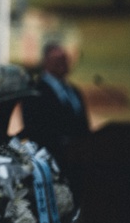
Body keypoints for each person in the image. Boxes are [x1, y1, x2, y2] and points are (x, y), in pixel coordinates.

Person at [20, 42, 90, 193]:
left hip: (78, 163)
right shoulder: (35, 91)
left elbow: (83, 125)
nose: (62, 63)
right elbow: (34, 127)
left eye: (65, 59)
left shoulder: (73, 91)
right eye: (57, 60)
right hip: (51, 163)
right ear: (45, 62)